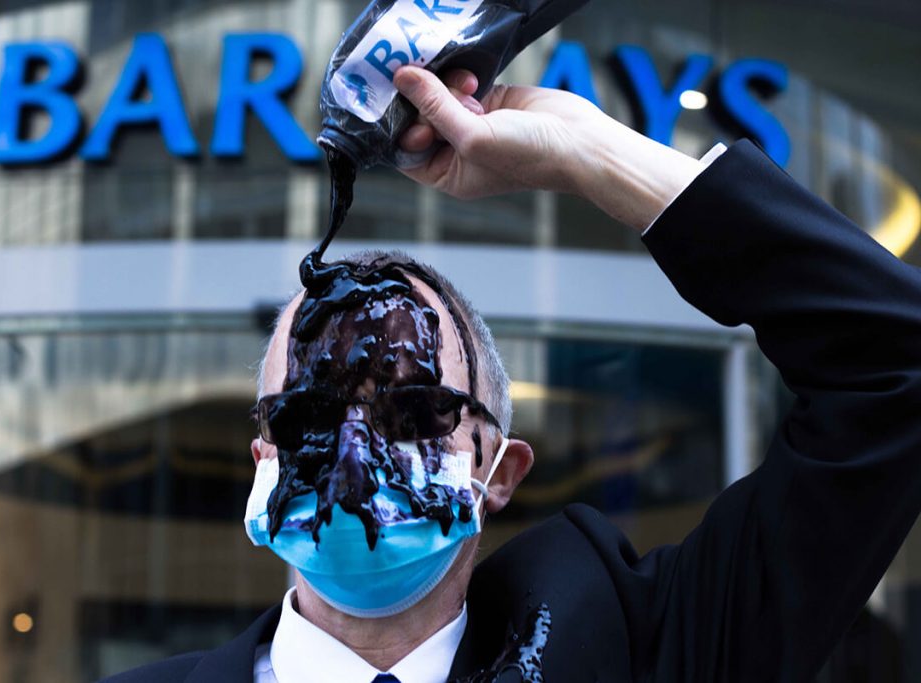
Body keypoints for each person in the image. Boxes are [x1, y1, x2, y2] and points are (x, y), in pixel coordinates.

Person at [102, 65, 921, 683]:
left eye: (414, 410)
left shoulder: (645, 649)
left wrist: (594, 156)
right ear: (264, 460)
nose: (354, 448)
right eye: (307, 416)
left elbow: (894, 363)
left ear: (498, 467)